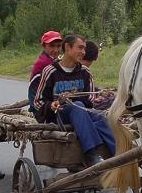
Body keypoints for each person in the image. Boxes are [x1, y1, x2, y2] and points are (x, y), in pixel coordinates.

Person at [33, 34, 115, 166]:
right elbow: (38, 101)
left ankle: (119, 153)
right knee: (77, 105)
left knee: (100, 116)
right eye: (80, 48)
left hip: (81, 112)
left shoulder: (85, 72)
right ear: (67, 48)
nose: (83, 52)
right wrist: (52, 105)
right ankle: (91, 154)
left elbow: (91, 100)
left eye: (84, 49)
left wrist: (74, 96)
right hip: (58, 116)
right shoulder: (51, 71)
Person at [28, 30, 63, 114]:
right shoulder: (45, 62)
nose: (56, 50)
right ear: (44, 46)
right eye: (51, 46)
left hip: (45, 97)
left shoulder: (52, 59)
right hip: (39, 103)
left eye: (58, 46)